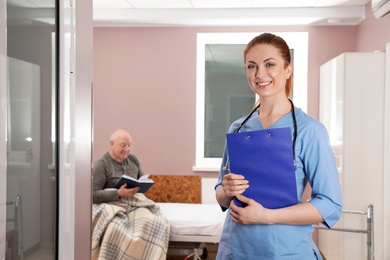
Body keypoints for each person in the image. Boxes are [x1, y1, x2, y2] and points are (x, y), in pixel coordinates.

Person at [215, 33, 342, 259]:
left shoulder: (309, 131)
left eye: (270, 64)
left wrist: (265, 216)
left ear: (288, 69)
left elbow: (330, 205)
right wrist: (226, 190)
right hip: (236, 250)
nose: (259, 74)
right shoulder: (237, 128)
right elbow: (220, 194)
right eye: (251, 66)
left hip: (286, 251)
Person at [93, 128, 144, 203]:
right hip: (113, 204)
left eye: (129, 145)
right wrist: (118, 193)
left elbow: (142, 181)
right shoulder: (101, 165)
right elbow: (93, 195)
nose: (127, 149)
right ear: (112, 144)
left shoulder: (133, 160)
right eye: (123, 145)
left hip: (134, 202)